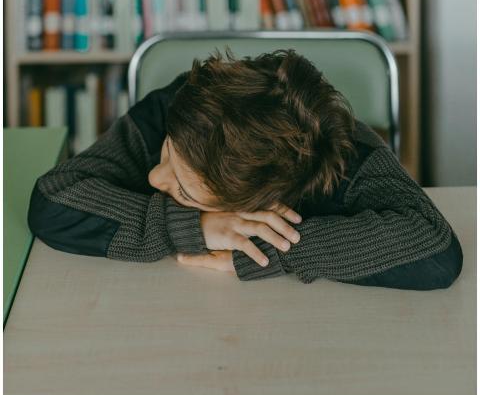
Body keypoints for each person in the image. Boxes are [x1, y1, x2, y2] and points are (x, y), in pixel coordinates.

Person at [28, 47, 463, 288]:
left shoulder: (354, 160)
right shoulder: (181, 105)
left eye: (183, 188)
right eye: (165, 153)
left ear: (261, 204)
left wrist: (270, 247)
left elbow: (436, 250)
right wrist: (197, 224)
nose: (153, 179)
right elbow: (53, 199)